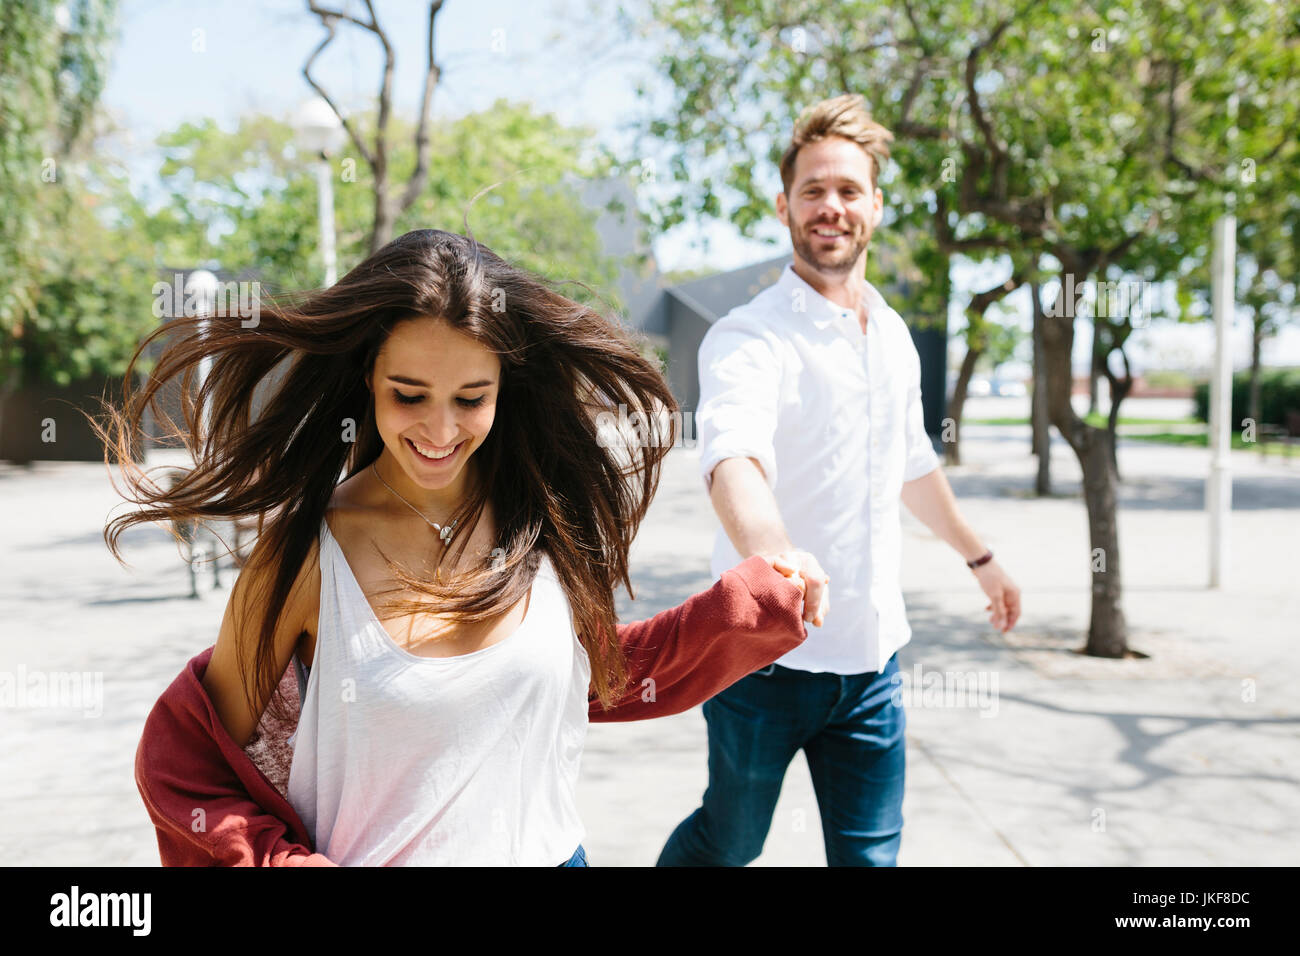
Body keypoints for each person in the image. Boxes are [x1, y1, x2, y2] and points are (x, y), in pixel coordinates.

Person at [99, 228, 816, 866]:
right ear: (367, 381)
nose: (440, 432)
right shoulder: (305, 556)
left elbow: (595, 677)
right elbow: (190, 760)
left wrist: (747, 608)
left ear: (506, 387)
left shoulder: (547, 524)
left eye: (471, 398)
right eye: (409, 395)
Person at [657, 94, 1022, 868]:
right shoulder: (750, 336)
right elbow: (733, 458)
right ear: (784, 205)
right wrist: (780, 555)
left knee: (870, 860)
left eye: (848, 190)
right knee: (729, 843)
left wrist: (981, 559)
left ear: (875, 208)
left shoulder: (890, 333)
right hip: (761, 662)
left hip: (872, 665)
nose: (831, 206)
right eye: (814, 190)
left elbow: (912, 464)